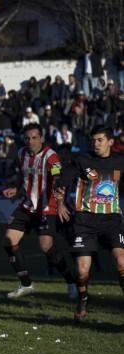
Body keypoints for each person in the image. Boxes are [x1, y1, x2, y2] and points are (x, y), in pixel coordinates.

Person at [55, 126, 124, 321]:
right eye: (93, 140)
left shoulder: (120, 161)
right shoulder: (82, 160)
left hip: (111, 219)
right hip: (85, 220)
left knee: (121, 261)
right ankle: (83, 300)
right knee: (82, 270)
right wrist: (60, 204)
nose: (96, 144)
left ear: (110, 142)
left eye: (100, 140)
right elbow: (61, 182)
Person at [1, 124, 77, 299]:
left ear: (42, 138)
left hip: (46, 208)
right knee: (8, 240)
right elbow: (22, 175)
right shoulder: (21, 154)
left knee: (46, 247)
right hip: (27, 206)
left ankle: (71, 281)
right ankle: (26, 284)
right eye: (27, 138)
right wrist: (17, 189)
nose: (31, 141)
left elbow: (58, 179)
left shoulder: (52, 157)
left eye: (35, 138)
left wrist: (59, 204)